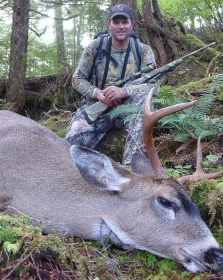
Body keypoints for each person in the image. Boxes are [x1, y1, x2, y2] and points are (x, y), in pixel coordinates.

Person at [66, 4, 156, 165]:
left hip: (127, 109)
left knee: (144, 100)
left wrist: (125, 91)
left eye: (125, 22)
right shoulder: (95, 47)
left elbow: (153, 85)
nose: (121, 26)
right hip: (97, 107)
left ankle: (133, 166)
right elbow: (77, 79)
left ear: (131, 24)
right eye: (116, 22)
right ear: (109, 24)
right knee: (71, 143)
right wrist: (98, 94)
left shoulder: (143, 51)